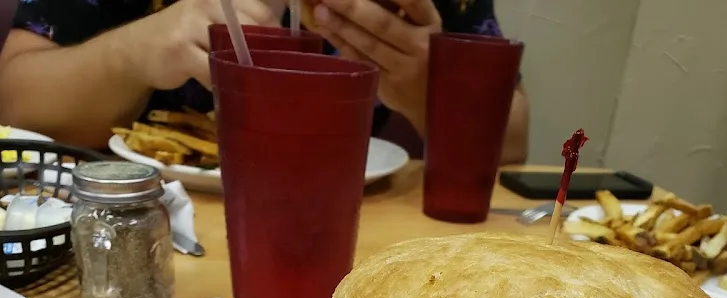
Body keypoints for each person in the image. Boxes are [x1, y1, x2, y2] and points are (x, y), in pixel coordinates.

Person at [0, 0, 528, 161]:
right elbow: (15, 100)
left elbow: (512, 142)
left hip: (358, 242)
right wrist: (131, 53)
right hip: (137, 228)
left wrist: (435, 92)